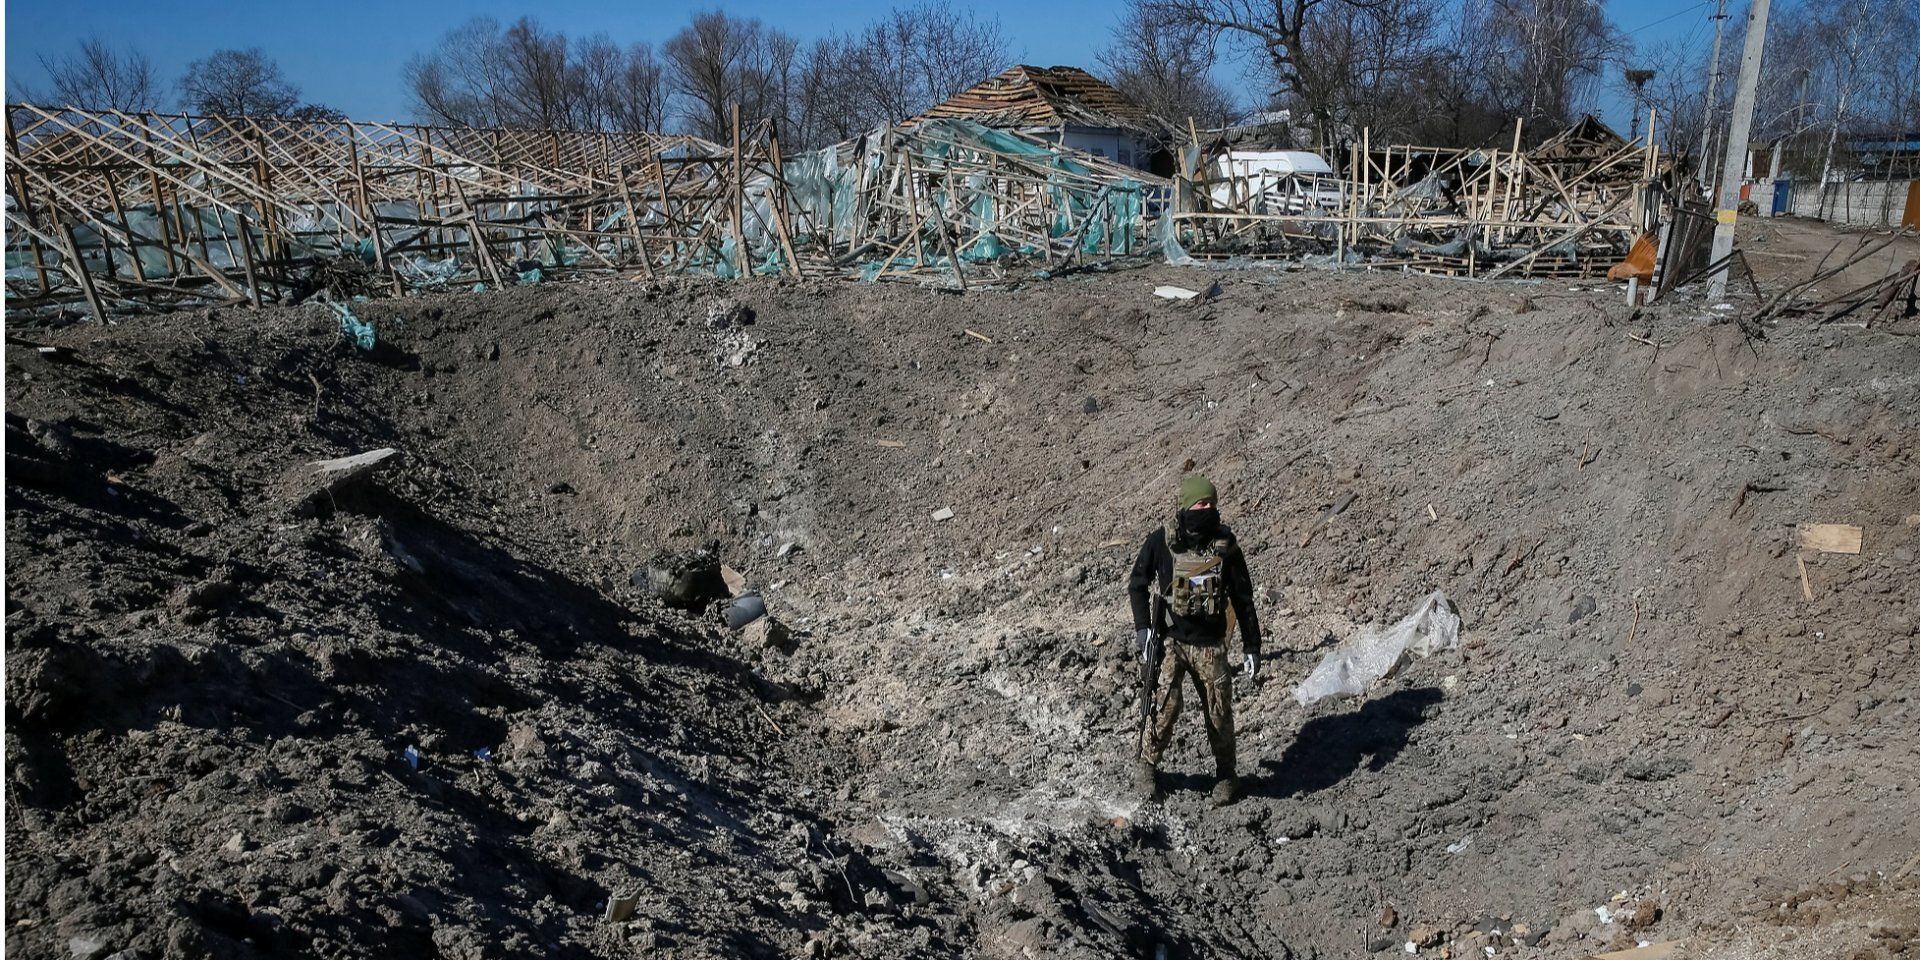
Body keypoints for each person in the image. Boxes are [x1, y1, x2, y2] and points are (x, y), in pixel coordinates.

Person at [1127, 474, 1263, 806]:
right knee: (1165, 707)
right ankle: (1146, 765)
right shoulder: (1162, 541)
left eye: (1211, 503)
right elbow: (1137, 584)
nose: (1207, 509)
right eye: (1201, 503)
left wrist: (1251, 645)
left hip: (1211, 644)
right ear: (1187, 505)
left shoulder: (1225, 546)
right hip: (1171, 639)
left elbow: (1244, 598)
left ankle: (1227, 776)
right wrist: (1143, 629)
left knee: (1218, 711)